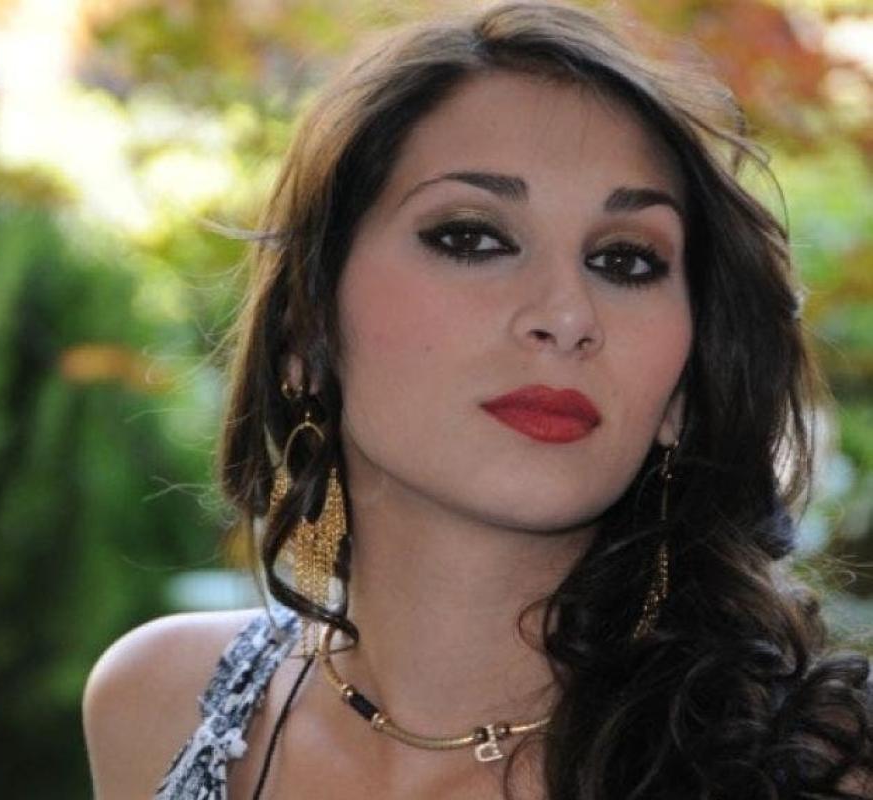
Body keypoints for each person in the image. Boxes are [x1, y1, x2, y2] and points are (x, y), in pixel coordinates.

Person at [83, 1, 873, 797]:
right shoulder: (157, 704)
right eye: (471, 237)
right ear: (307, 333)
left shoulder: (815, 772)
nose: (567, 315)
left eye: (625, 261)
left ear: (680, 390)